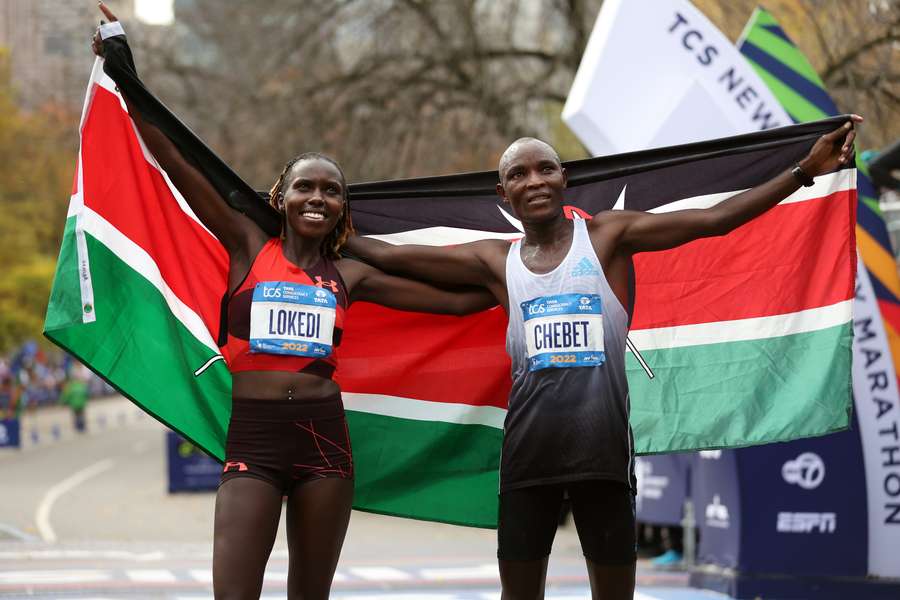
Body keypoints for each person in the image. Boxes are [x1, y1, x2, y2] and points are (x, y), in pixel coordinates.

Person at [345, 122, 861, 598]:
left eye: (546, 168)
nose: (535, 181)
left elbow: (713, 221)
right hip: (528, 456)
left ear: (563, 178)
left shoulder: (608, 237)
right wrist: (335, 234)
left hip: (603, 456)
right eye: (518, 174)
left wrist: (801, 172)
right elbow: (392, 257)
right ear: (504, 194)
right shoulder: (492, 261)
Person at [91, 5, 496, 599]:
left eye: (332, 191)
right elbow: (174, 160)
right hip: (253, 438)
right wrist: (124, 72)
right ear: (280, 198)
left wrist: (526, 271)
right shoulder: (246, 244)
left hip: (324, 441)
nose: (318, 197)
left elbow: (459, 305)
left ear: (342, 208)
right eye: (305, 186)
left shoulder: (350, 276)